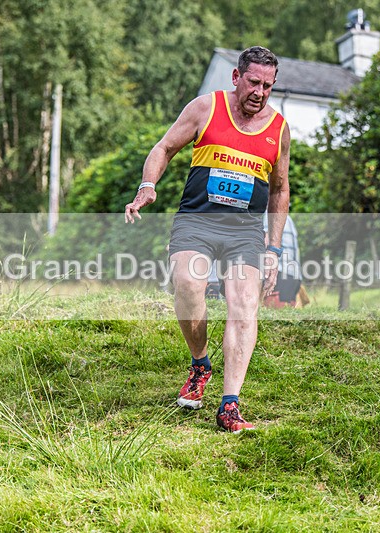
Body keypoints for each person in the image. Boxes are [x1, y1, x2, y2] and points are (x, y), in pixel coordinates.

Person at [125, 46, 291, 433]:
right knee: (187, 285)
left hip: (245, 232)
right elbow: (164, 147)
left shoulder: (279, 129)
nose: (259, 92)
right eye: (253, 82)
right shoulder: (206, 108)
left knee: (245, 303)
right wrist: (148, 186)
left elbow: (280, 190)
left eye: (268, 86)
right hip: (197, 222)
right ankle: (200, 363)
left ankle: (229, 405)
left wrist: (275, 248)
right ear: (236, 78)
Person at [262, 212, 301, 307]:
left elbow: (266, 241)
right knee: (287, 315)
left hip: (280, 272)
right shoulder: (288, 218)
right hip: (295, 275)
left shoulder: (269, 216)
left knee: (273, 312)